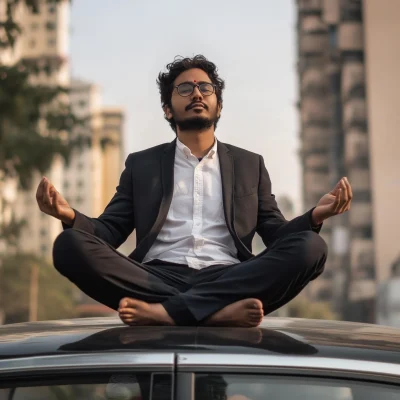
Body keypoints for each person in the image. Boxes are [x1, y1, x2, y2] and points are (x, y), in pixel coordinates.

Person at [36, 55, 352, 327]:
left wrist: (314, 216)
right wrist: (68, 214)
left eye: (205, 88)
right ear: (168, 109)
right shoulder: (142, 165)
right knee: (68, 245)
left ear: (219, 105)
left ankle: (169, 312)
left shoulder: (248, 164)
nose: (197, 94)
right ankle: (214, 313)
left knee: (311, 247)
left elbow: (276, 235)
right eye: (185, 89)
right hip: (154, 279)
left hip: (229, 278)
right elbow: (108, 230)